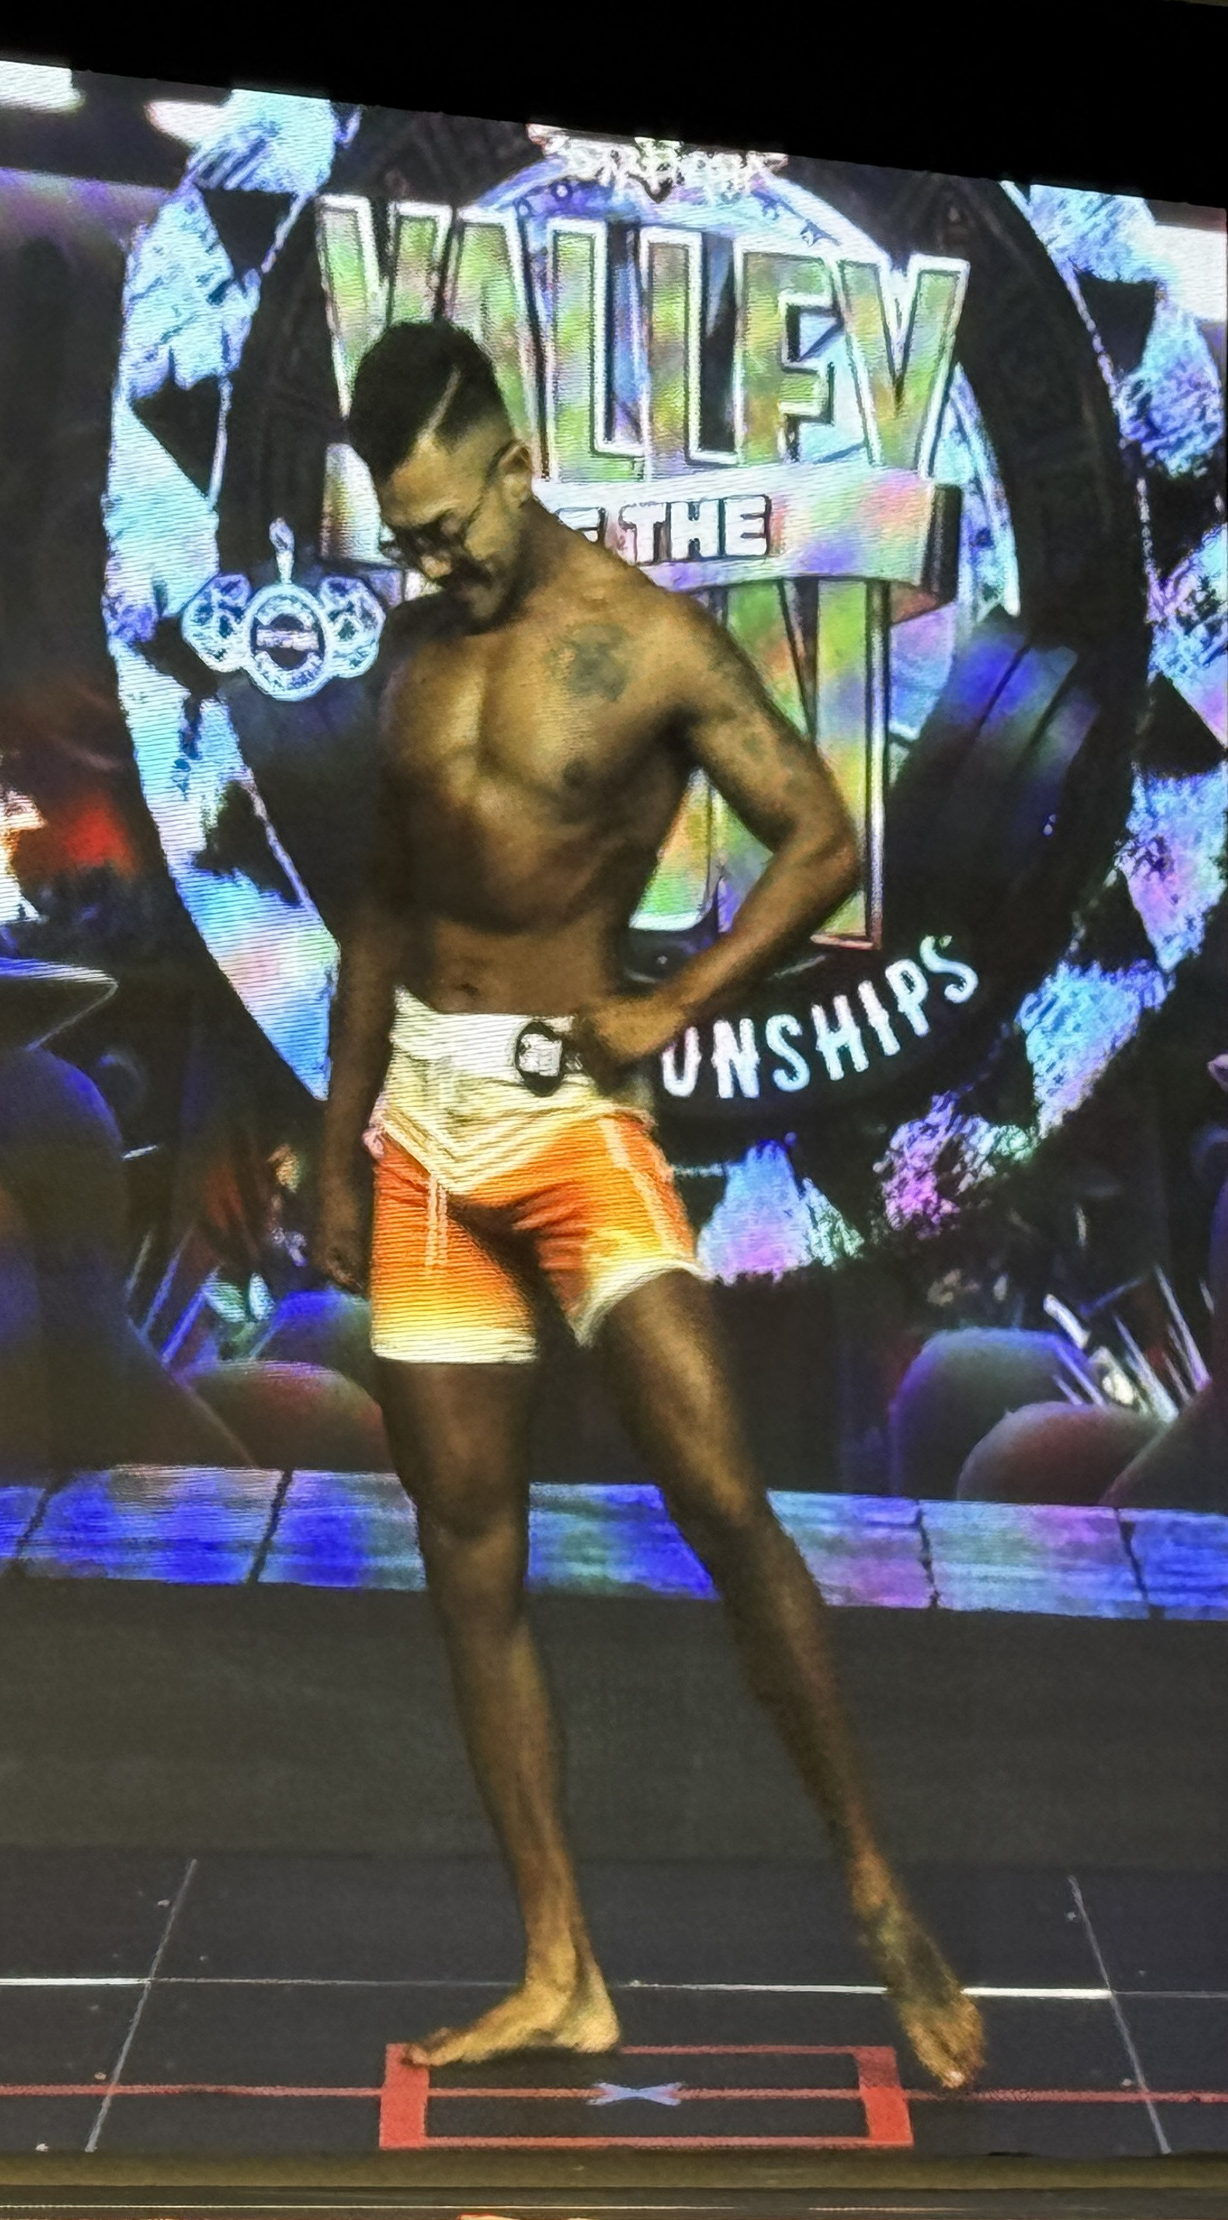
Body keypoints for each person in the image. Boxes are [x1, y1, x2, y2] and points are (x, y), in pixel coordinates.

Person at [312, 319, 985, 2092]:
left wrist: (673, 1004)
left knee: (722, 1497)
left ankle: (875, 1893)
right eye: (408, 538)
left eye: (453, 526)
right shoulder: (410, 653)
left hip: (571, 1117)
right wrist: (334, 1135)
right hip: (424, 1129)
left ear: (518, 468)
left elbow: (822, 835)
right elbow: (381, 902)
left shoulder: (649, 644)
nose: (435, 563)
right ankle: (560, 1970)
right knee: (469, 1554)